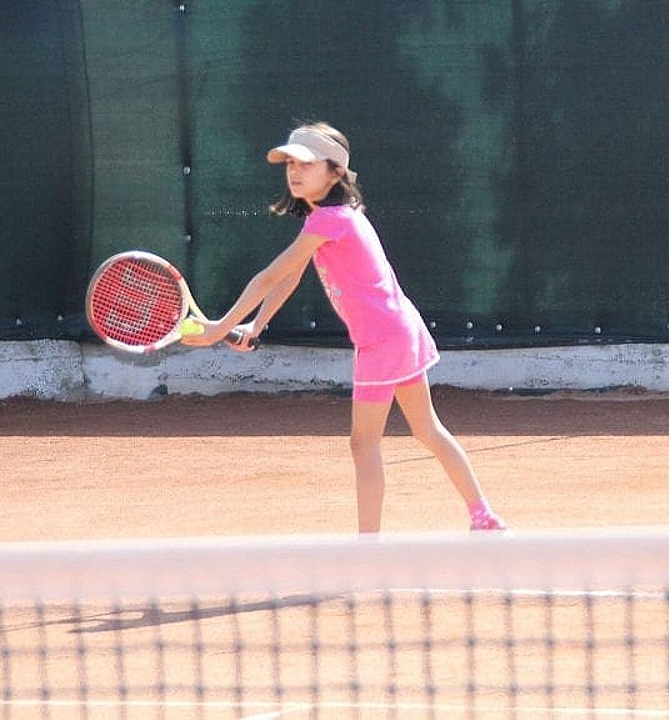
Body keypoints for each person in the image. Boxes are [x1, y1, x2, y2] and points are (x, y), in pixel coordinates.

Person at [181, 122, 508, 535]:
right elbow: (289, 278)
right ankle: (484, 517)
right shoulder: (331, 217)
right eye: (289, 164)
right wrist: (256, 325)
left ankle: (369, 546)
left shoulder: (330, 220)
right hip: (399, 330)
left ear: (334, 172)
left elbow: (268, 276)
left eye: (305, 163)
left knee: (364, 443)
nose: (294, 172)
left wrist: (217, 329)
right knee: (426, 428)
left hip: (383, 340)